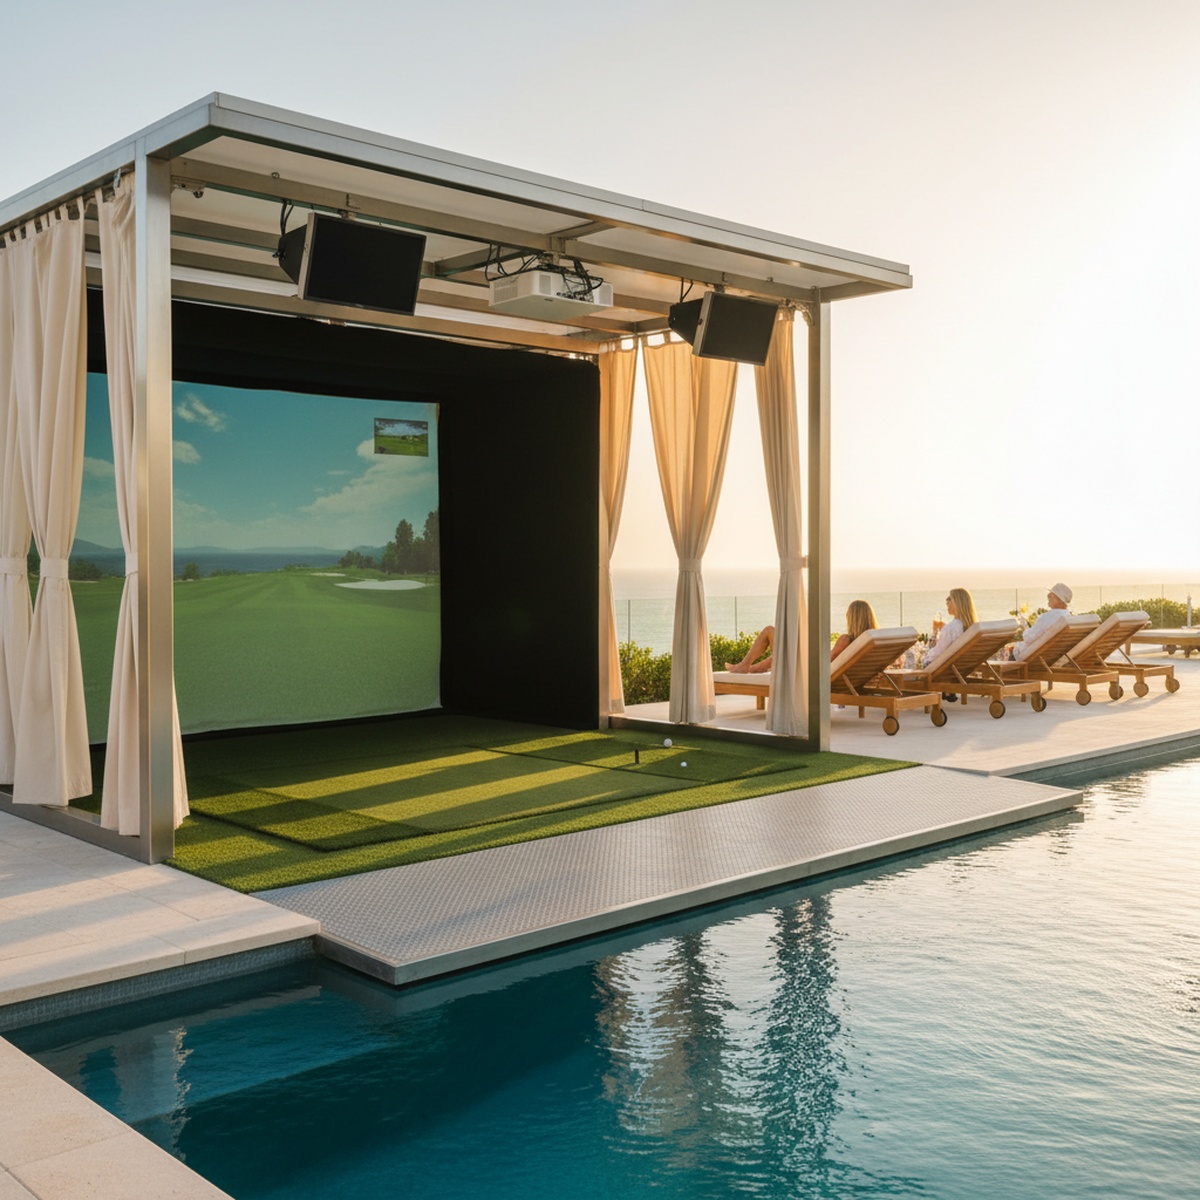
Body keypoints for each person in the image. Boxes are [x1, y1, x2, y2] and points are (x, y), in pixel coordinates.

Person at [925, 587, 978, 684]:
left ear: (956, 603)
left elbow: (938, 653)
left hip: (947, 670)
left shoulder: (950, 628)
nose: (947, 603)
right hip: (963, 669)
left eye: (949, 599)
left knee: (925, 660)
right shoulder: (973, 628)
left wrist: (926, 657)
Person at [1011, 582, 1072, 661]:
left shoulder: (1047, 617)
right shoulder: (1069, 617)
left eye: (1052, 594)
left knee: (1013, 650)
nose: (1048, 596)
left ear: (1060, 600)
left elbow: (1028, 638)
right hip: (1054, 656)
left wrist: (1025, 630)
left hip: (1038, 658)